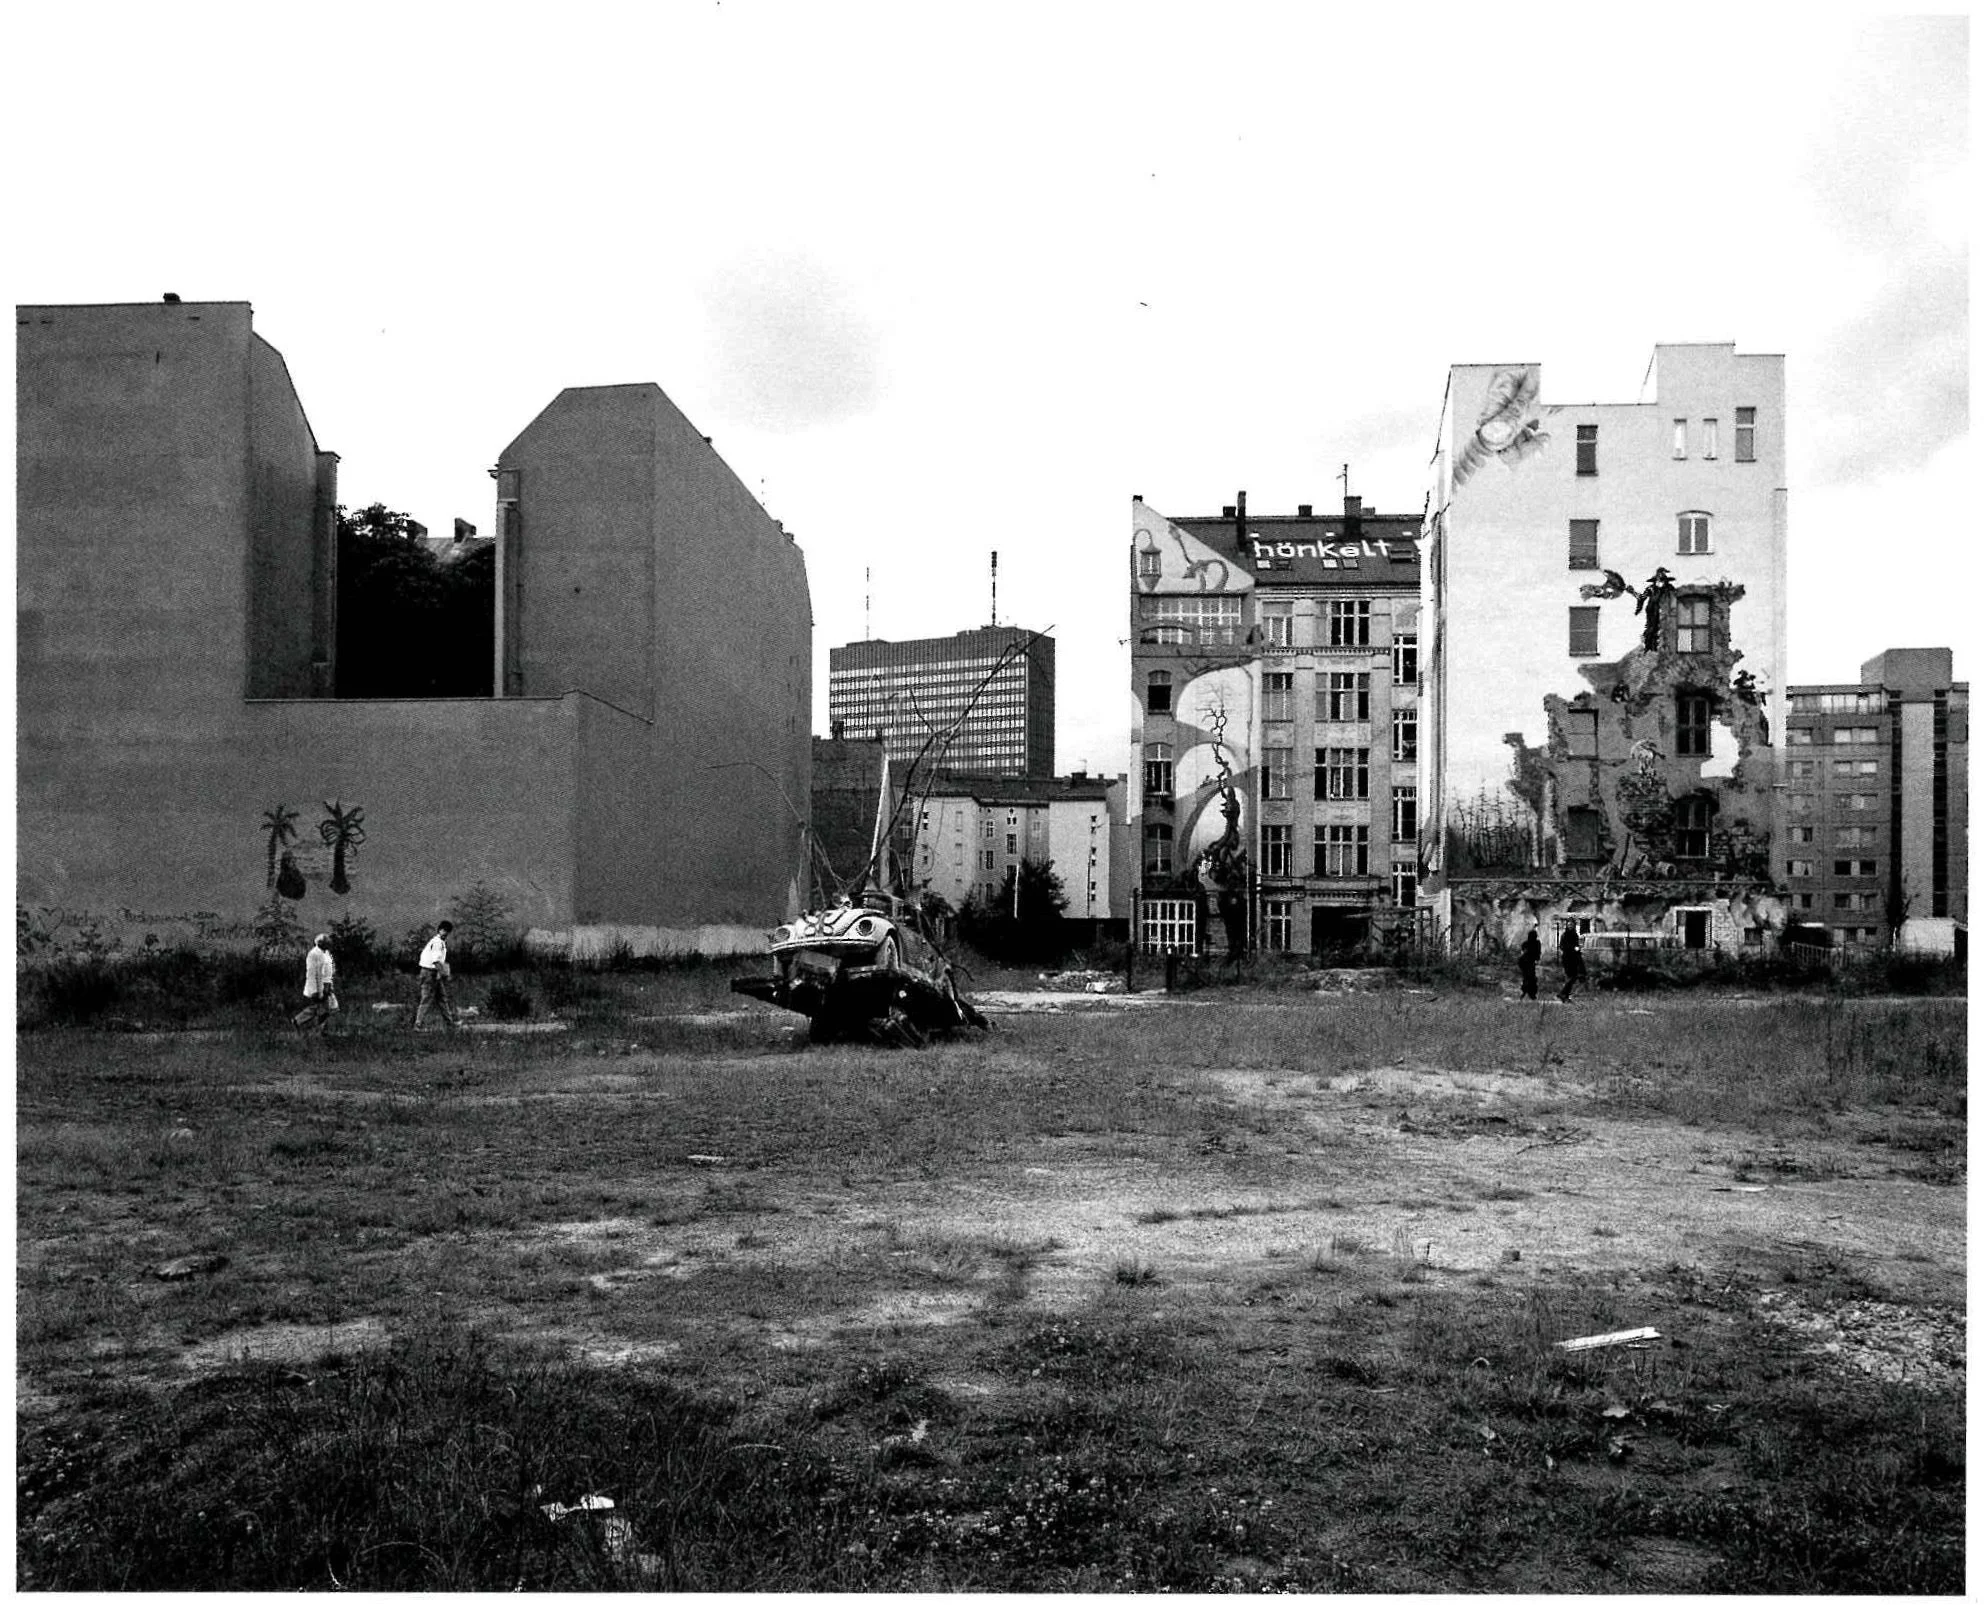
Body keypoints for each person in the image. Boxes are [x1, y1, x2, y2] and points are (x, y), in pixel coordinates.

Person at [414, 920, 461, 1030]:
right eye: (443, 930)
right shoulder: (437, 943)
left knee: (442, 999)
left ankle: (450, 1024)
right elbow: (435, 961)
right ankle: (418, 1025)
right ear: (439, 930)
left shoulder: (440, 942)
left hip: (434, 974)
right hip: (429, 973)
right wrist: (445, 974)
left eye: (447, 931)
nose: (445, 933)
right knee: (426, 999)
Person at [294, 933, 338, 1034]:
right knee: (325, 1008)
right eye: (327, 942)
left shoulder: (326, 954)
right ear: (320, 943)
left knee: (327, 1008)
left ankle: (302, 1022)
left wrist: (329, 985)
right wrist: (314, 991)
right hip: (318, 986)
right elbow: (311, 973)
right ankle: (304, 1023)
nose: (329, 944)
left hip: (325, 985)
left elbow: (328, 970)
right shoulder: (313, 954)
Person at [1557, 922, 1587, 1003]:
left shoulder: (1575, 935)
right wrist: (1573, 948)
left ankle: (1565, 996)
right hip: (1567, 958)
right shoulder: (1565, 935)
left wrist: (1577, 950)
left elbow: (1577, 945)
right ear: (1567, 926)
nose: (1570, 926)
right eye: (1569, 925)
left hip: (1575, 958)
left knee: (1573, 977)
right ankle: (1563, 993)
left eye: (1572, 925)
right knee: (1572, 977)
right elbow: (1562, 946)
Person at [1517, 926, 1542, 1000]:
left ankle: (1526, 992)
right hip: (1528, 962)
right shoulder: (1536, 943)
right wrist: (1537, 959)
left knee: (1527, 977)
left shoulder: (1526, 943)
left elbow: (1523, 951)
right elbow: (1537, 953)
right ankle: (1530, 993)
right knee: (1531, 978)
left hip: (1524, 962)